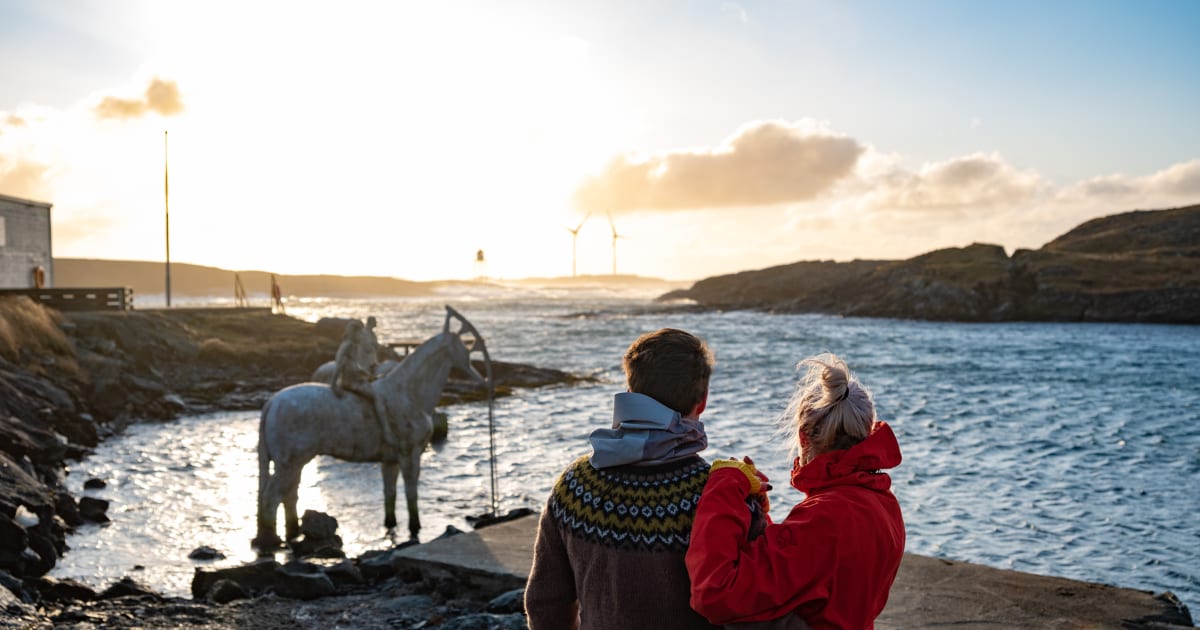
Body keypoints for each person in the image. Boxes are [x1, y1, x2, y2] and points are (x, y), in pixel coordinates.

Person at [686, 353, 905, 630]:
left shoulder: (823, 517)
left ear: (803, 436)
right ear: (866, 431)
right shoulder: (884, 505)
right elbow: (813, 580)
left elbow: (715, 593)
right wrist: (763, 521)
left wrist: (725, 485)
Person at [525, 328, 720, 630]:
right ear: (703, 400)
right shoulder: (719, 495)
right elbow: (752, 612)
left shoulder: (575, 485)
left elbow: (545, 602)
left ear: (629, 394)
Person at [332, 319, 394, 447]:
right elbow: (342, 366)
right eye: (360, 333)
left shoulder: (350, 345)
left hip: (355, 378)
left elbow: (354, 365)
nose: (362, 336)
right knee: (378, 397)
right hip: (350, 382)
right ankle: (386, 431)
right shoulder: (349, 345)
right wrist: (334, 385)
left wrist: (367, 375)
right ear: (355, 333)